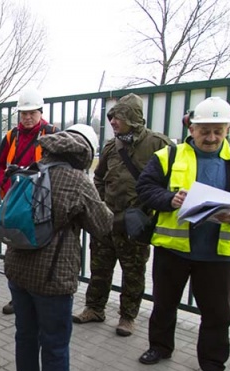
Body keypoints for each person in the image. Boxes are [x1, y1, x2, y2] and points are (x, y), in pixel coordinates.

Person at [135, 97, 230, 371]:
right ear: (192, 126)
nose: (211, 138)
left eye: (218, 130)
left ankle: (213, 366)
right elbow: (145, 188)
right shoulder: (168, 155)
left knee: (217, 314)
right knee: (164, 304)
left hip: (217, 254)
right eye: (205, 131)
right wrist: (169, 199)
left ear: (229, 127)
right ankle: (160, 347)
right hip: (172, 250)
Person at [4, 124, 113, 371]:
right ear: (85, 153)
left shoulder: (32, 168)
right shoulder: (77, 180)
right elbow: (103, 227)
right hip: (52, 278)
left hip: (17, 270)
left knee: (25, 335)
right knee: (54, 344)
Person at [72, 93, 172, 336]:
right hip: (108, 221)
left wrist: (149, 211)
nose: (114, 122)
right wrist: (101, 202)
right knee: (100, 268)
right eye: (113, 117)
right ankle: (94, 308)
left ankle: (127, 317)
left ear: (134, 118)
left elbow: (169, 183)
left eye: (119, 117)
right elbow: (99, 176)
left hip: (137, 224)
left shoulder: (158, 144)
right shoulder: (111, 146)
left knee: (133, 272)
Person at [0, 87, 58, 315]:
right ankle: (17, 297)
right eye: (24, 113)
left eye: (32, 113)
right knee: (14, 254)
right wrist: (6, 184)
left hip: (41, 205)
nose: (27, 117)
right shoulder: (11, 136)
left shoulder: (52, 134)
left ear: (40, 112)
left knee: (39, 252)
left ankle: (38, 298)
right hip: (14, 205)